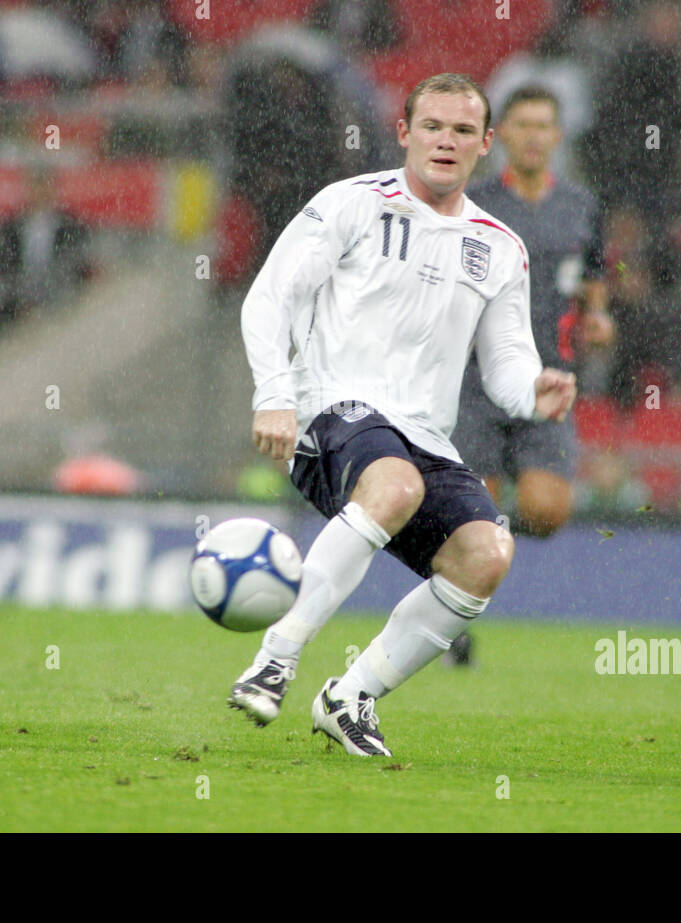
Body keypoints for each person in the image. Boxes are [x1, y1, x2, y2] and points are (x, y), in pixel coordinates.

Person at [235, 73, 577, 756]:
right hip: (333, 410)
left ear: (486, 144)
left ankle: (350, 695)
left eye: (460, 131)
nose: (444, 142)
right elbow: (270, 297)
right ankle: (277, 653)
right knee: (395, 484)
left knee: (487, 554)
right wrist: (273, 393)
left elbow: (507, 359)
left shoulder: (500, 247)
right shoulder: (351, 204)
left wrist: (531, 390)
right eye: (431, 127)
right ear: (404, 133)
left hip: (424, 435)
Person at [453, 84, 612, 539]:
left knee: (546, 511)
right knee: (470, 518)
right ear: (500, 134)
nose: (533, 136)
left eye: (543, 126)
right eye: (523, 125)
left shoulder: (580, 206)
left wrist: (598, 314)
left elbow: (593, 272)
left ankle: (501, 531)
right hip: (476, 380)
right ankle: (477, 541)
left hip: (550, 376)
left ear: (558, 135)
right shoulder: (473, 203)